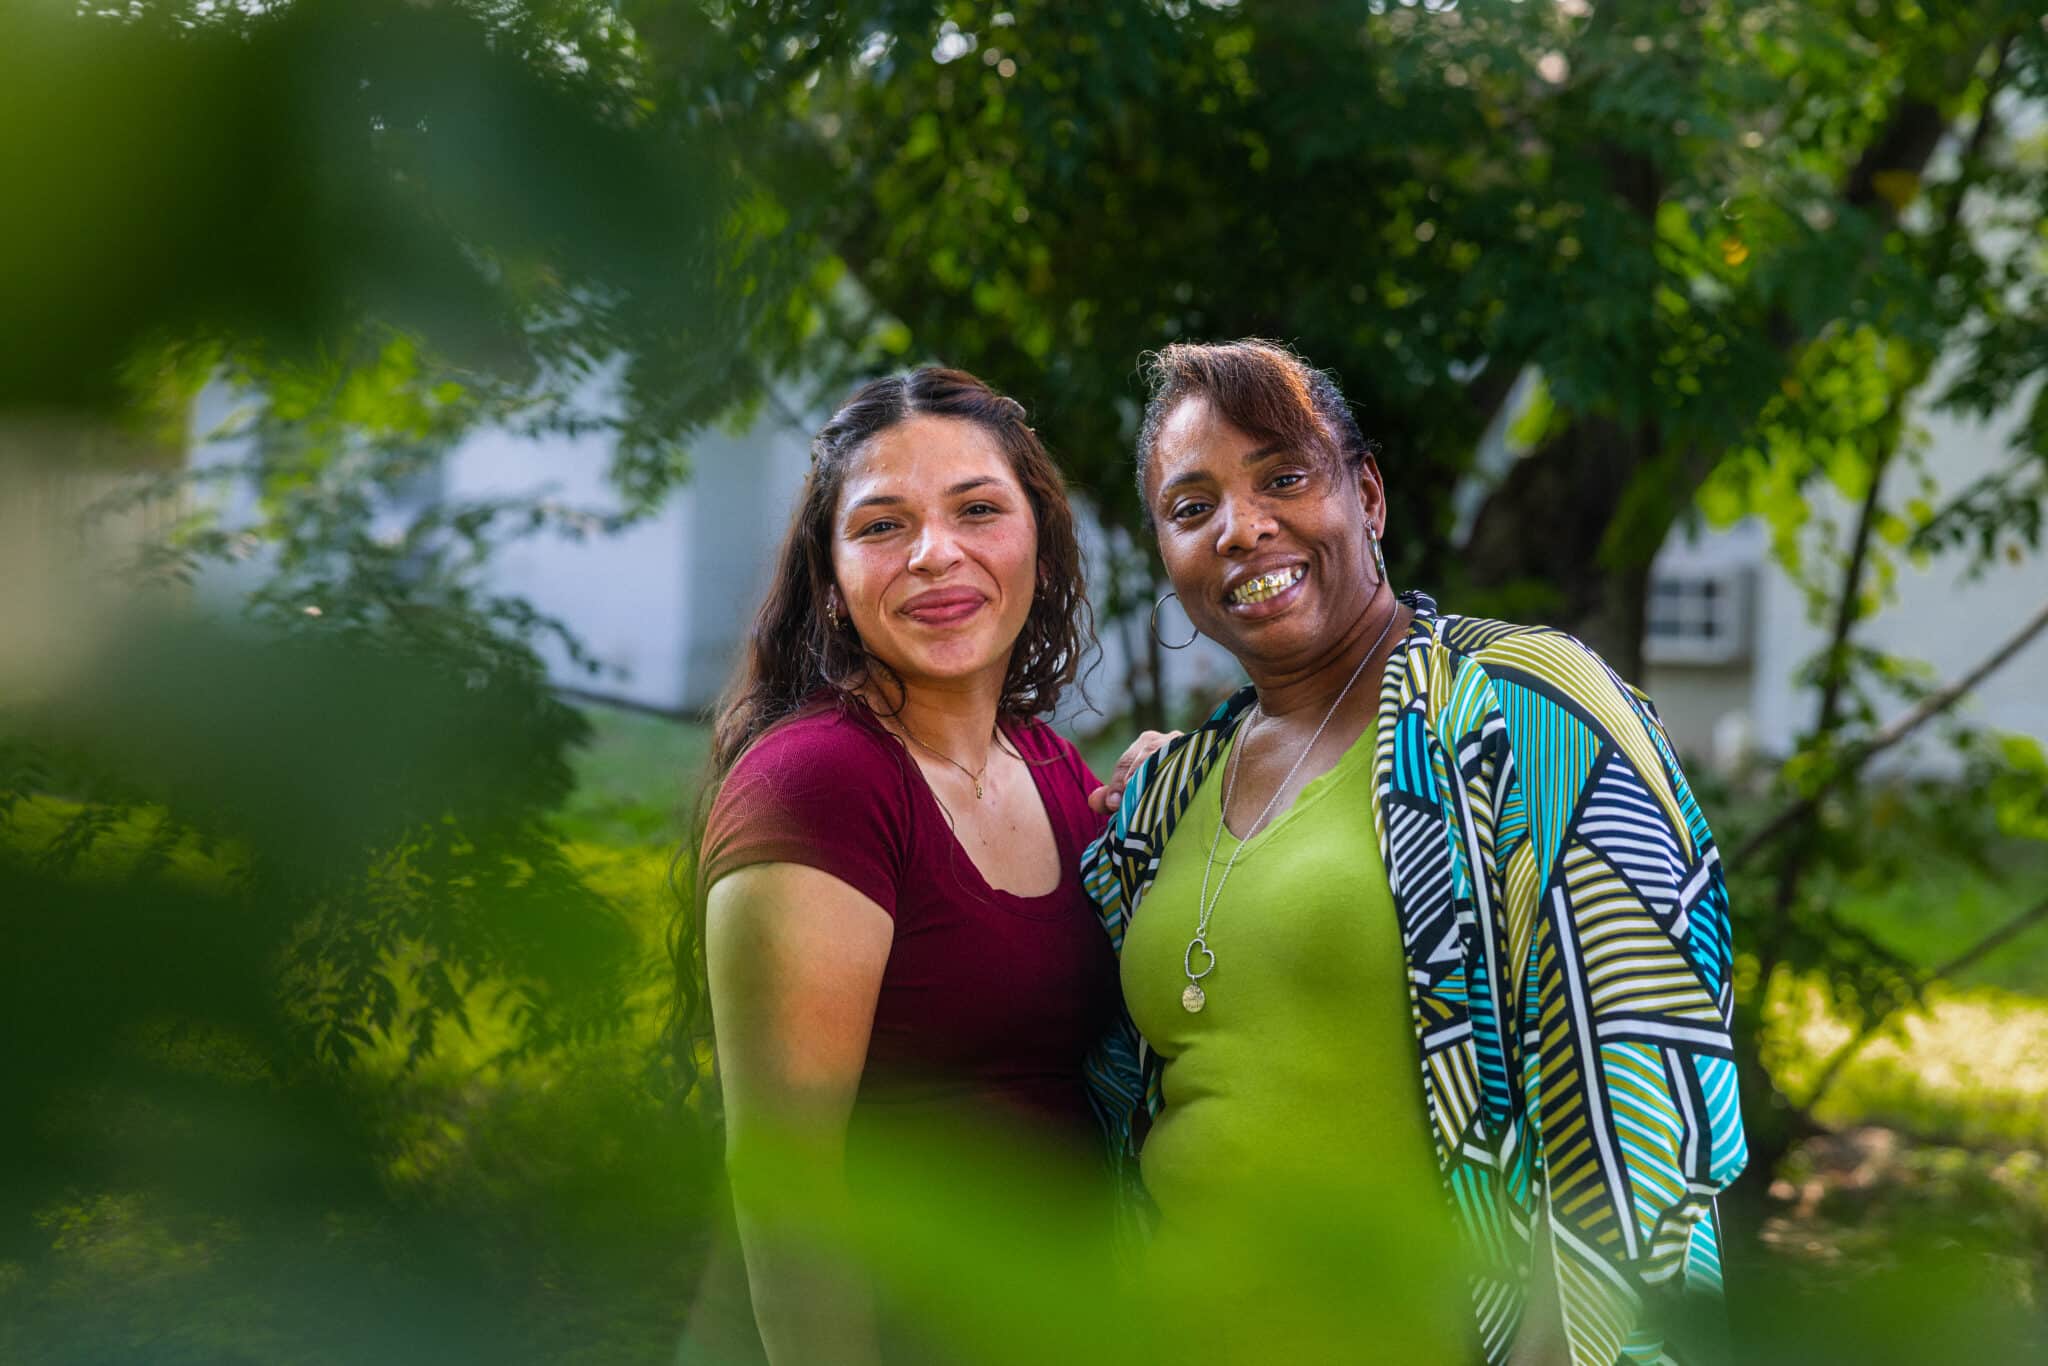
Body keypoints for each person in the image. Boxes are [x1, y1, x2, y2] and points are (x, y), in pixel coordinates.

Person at [1082, 340, 1747, 1365]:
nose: (1241, 527)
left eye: (1283, 478)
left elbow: (1641, 1078)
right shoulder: (1171, 796)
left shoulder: (1522, 708)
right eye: (1190, 506)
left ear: (1368, 495)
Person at [681, 367, 1123, 1366]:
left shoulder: (1051, 767)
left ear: (1039, 549)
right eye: (882, 525)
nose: (935, 553)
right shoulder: (818, 783)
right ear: (831, 579)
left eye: (977, 508)